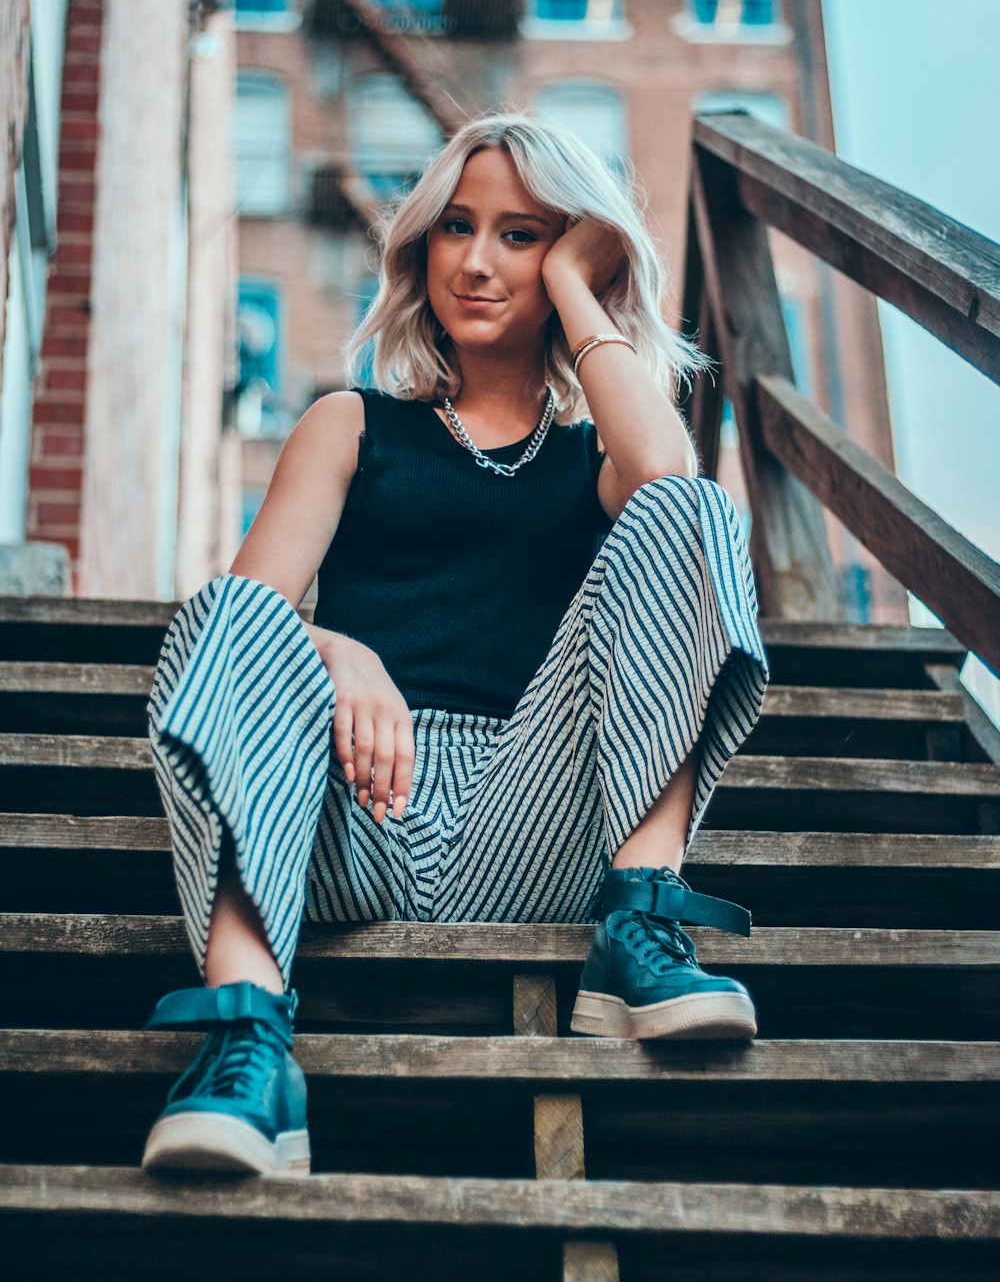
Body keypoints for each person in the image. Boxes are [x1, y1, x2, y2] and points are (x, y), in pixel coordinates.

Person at [139, 111, 768, 1178]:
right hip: (349, 805)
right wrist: (340, 652)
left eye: (521, 236)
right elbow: (244, 624)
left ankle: (640, 928)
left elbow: (667, 472)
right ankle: (247, 1042)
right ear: (420, 245)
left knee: (690, 511)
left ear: (569, 254)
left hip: (531, 822)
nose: (477, 263)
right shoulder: (349, 426)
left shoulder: (594, 464)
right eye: (456, 228)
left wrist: (580, 286)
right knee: (233, 611)